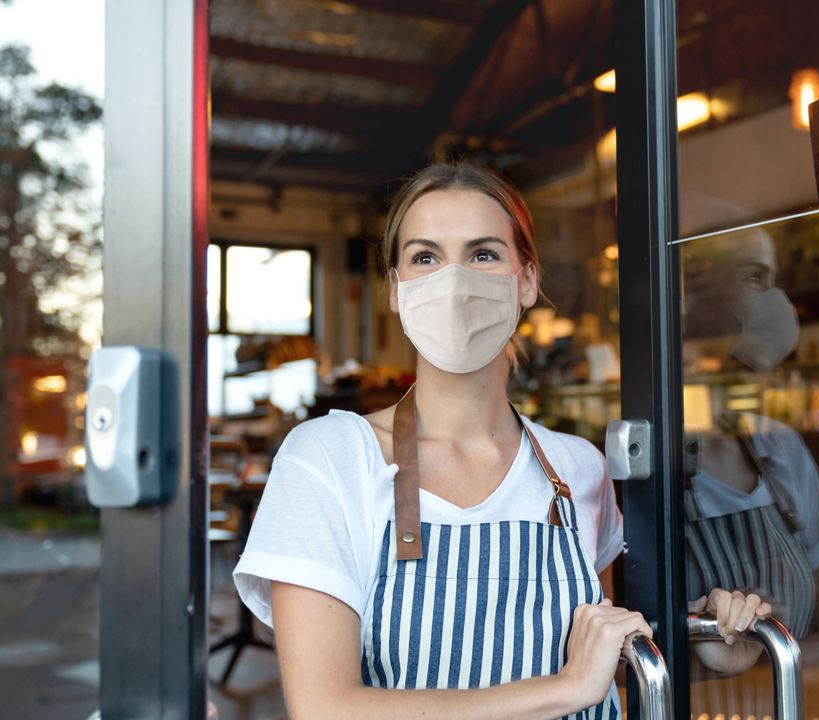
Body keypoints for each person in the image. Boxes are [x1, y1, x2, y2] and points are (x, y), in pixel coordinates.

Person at [233, 163, 770, 719]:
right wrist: (563, 690)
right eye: (425, 257)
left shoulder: (576, 469)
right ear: (395, 290)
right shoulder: (328, 457)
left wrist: (708, 638)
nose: (454, 280)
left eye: (483, 254)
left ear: (528, 281)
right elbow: (325, 709)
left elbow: (600, 655)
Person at [682, 225, 819, 716]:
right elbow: (617, 666)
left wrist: (766, 642)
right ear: (693, 297)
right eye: (754, 277)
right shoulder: (632, 469)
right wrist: (708, 653)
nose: (773, 300)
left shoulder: (779, 448)